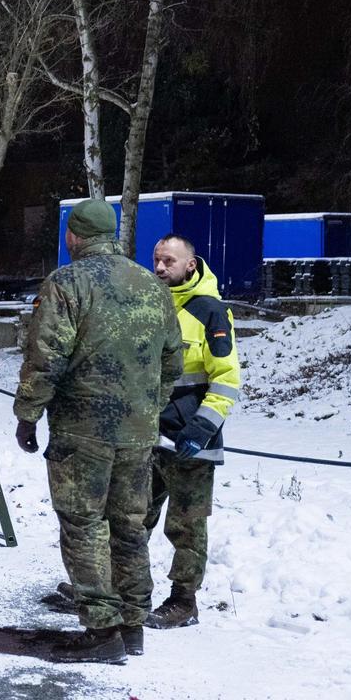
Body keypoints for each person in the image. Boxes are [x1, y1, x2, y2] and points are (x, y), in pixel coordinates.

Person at [14, 198, 183, 664]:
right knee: (129, 527)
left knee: (84, 524)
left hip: (81, 430)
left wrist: (28, 413)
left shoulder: (67, 283)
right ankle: (132, 626)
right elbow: (173, 358)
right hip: (137, 431)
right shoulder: (152, 285)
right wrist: (149, 406)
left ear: (75, 236)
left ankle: (100, 629)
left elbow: (48, 355)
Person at [144, 233, 243, 629]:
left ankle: (184, 602)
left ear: (190, 264)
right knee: (130, 517)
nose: (161, 267)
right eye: (156, 260)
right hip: (148, 438)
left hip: (191, 444)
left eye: (169, 260)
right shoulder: (149, 306)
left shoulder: (211, 312)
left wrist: (201, 428)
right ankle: (117, 593)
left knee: (185, 527)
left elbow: (226, 378)